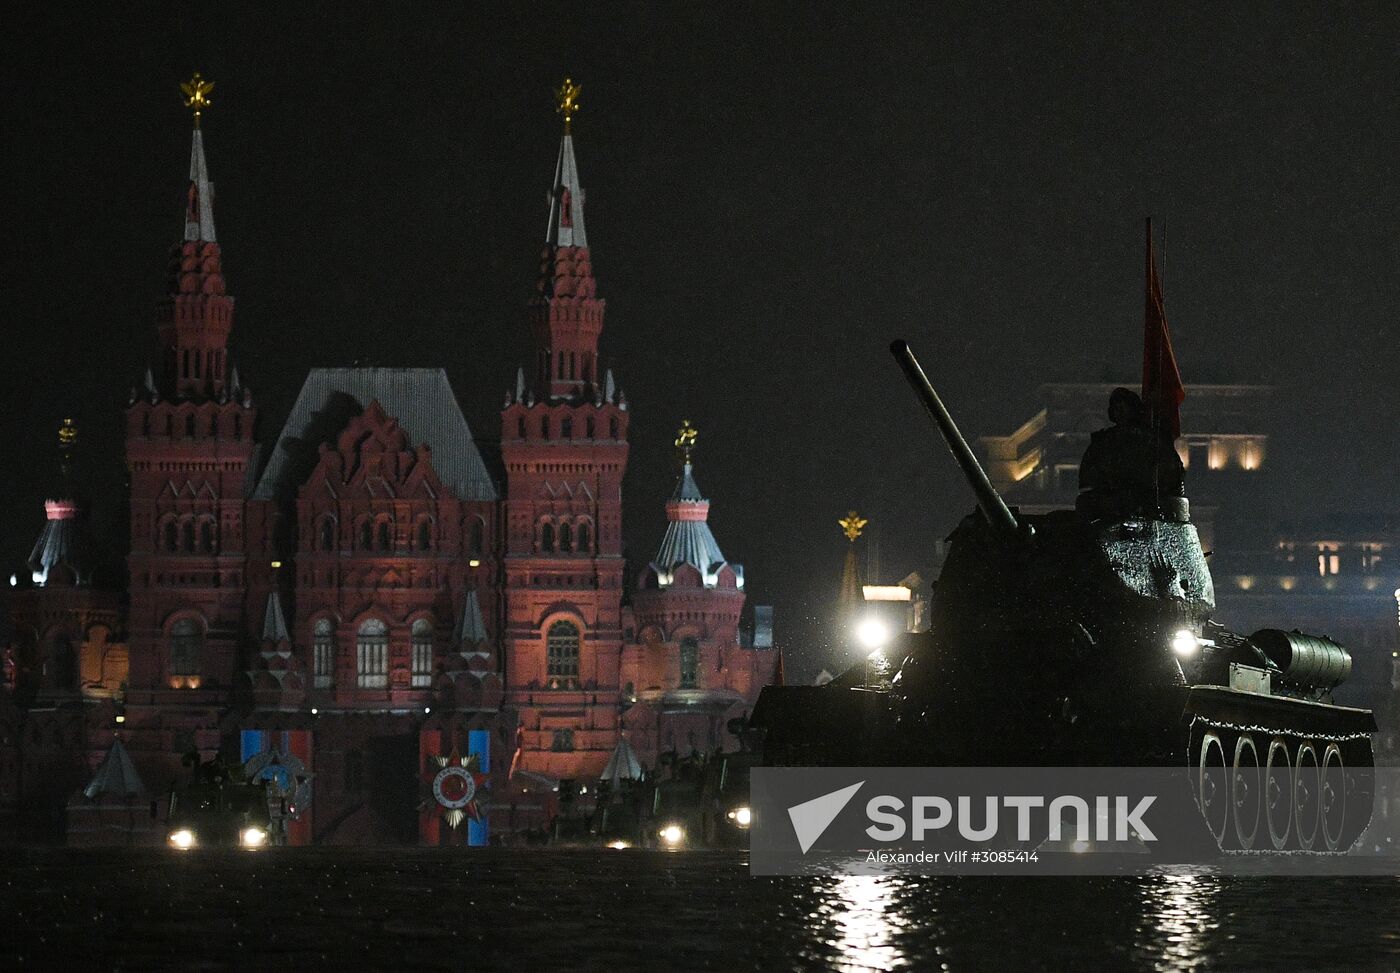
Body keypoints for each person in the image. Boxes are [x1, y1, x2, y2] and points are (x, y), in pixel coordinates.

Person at [1077, 387, 1184, 521]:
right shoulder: (1103, 441)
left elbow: (1174, 476)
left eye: (1123, 407)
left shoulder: (1152, 439)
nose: (1120, 411)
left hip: (1147, 501)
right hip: (1110, 501)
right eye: (1116, 408)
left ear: (1133, 409)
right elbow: (1087, 479)